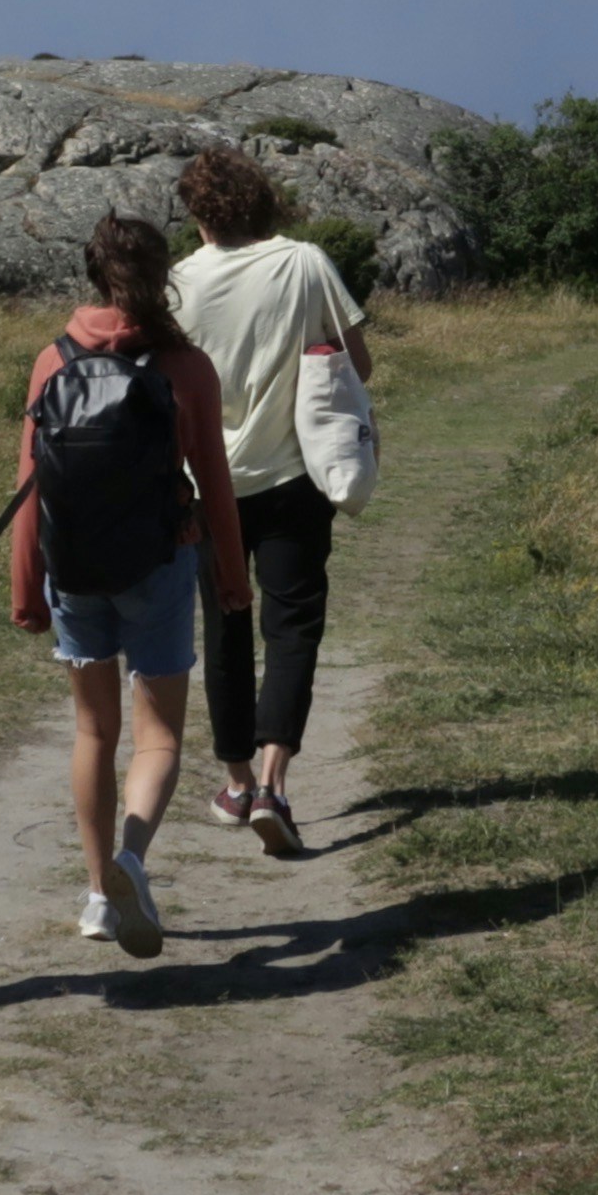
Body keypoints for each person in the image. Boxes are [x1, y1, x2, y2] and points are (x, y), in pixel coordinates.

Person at [7, 213, 249, 959]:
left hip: (76, 572)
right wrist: (232, 579)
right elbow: (213, 482)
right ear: (162, 276)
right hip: (162, 563)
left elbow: (29, 485)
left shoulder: (53, 360)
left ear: (91, 273)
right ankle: (132, 860)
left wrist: (26, 589)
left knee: (92, 733)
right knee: (160, 737)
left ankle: (94, 895)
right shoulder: (184, 366)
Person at [168, 145, 369, 855]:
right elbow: (357, 364)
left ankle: (235, 780)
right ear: (262, 202)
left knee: (222, 632)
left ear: (197, 217)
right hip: (293, 476)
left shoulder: (175, 284)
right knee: (291, 626)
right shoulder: (306, 262)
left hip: (202, 488)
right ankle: (275, 784)